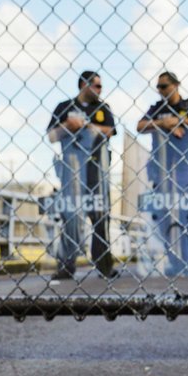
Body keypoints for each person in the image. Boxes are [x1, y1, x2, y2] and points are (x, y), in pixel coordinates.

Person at [137, 71, 188, 277]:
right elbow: (140, 126)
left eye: (164, 86)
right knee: (164, 217)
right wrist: (163, 123)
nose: (160, 91)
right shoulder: (157, 108)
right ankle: (175, 261)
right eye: (158, 87)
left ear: (176, 85)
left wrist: (180, 122)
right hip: (163, 171)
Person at [46, 70, 117, 279]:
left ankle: (104, 266)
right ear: (83, 85)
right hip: (73, 170)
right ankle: (66, 265)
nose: (99, 90)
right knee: (71, 216)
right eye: (96, 86)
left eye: (100, 86)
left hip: (97, 169)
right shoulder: (65, 107)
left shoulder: (103, 107)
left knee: (100, 215)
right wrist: (68, 126)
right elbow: (51, 135)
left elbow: (111, 131)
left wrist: (87, 126)